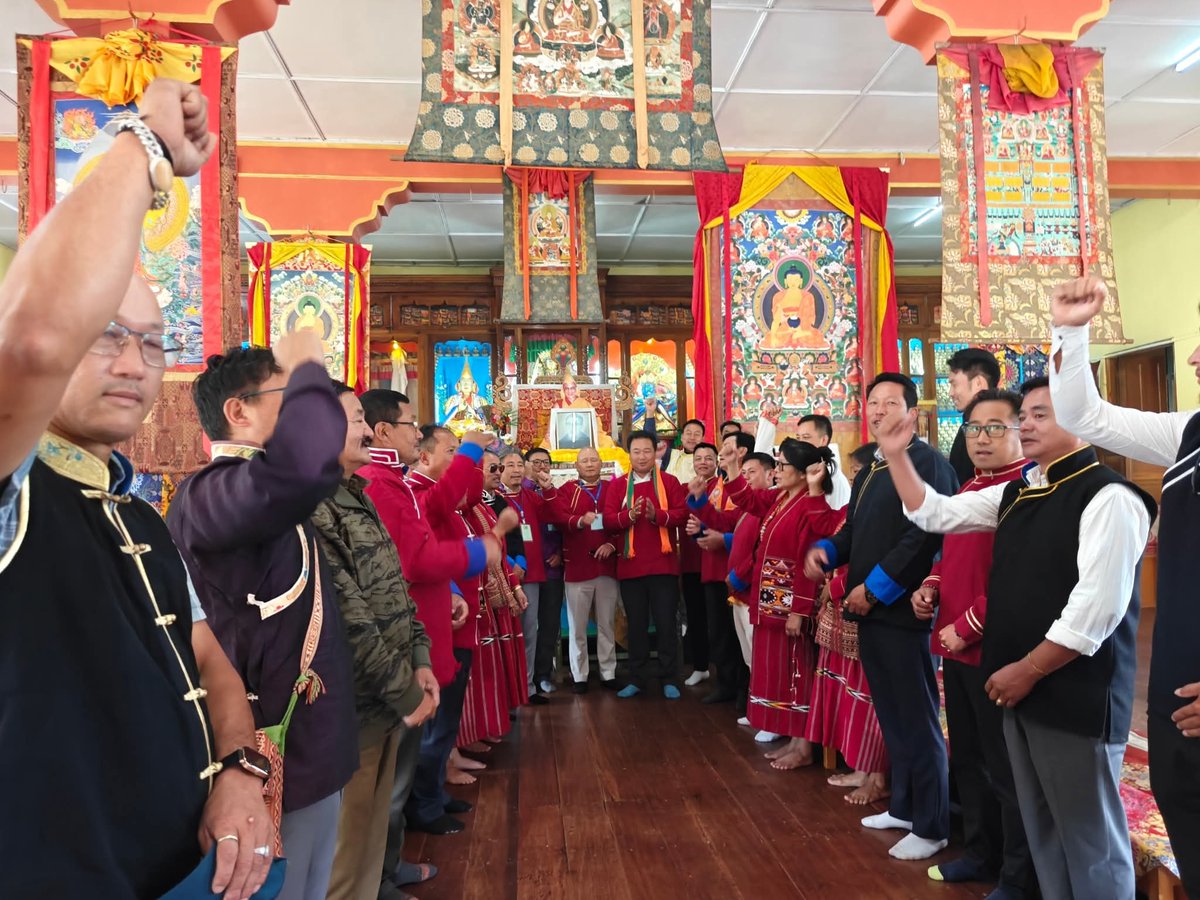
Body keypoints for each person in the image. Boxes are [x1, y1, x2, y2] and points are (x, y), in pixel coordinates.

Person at [0, 77, 273, 899]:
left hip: (183, 867)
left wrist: (241, 764)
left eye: (152, 345)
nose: (131, 364)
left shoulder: (137, 512)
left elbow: (206, 655)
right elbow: (35, 340)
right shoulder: (16, 495)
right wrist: (141, 146)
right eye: (105, 337)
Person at [880, 375, 1154, 898]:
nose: (1025, 424)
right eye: (1023, 415)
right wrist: (896, 456)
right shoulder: (1020, 490)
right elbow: (935, 512)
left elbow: (1094, 612)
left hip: (1075, 695)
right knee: (1045, 832)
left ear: (1083, 416)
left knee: (1090, 841)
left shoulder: (1110, 496)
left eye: (1040, 415)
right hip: (1017, 690)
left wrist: (1027, 670)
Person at [172, 338, 360, 900]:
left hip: (311, 746)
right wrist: (307, 364)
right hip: (275, 755)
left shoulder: (256, 493)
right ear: (239, 411)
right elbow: (304, 468)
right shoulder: (213, 493)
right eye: (292, 394)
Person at [1046, 275, 1200, 895]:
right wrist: (1072, 332)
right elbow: (1085, 415)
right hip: (1175, 693)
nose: (1192, 356)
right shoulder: (1189, 432)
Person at [804, 373, 958, 862]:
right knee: (891, 714)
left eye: (890, 403)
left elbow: (924, 539)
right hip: (867, 611)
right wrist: (827, 549)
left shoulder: (929, 464)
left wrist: (876, 589)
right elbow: (854, 528)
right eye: (872, 403)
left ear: (911, 412)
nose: (878, 411)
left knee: (917, 717)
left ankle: (934, 825)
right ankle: (907, 808)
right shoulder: (873, 463)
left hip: (902, 612)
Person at [312, 384, 440, 900]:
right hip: (357, 707)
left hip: (388, 700)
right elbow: (352, 617)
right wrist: (406, 690)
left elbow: (392, 590)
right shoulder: (315, 507)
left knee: (368, 842)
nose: (369, 431)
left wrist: (420, 657)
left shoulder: (357, 495)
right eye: (356, 420)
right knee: (345, 857)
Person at [355, 393, 491, 882]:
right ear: (384, 431)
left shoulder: (392, 483)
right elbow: (415, 559)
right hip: (402, 646)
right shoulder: (383, 484)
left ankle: (388, 867)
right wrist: (478, 555)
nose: (417, 433)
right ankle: (381, 877)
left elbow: (442, 503)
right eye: (411, 424)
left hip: (424, 633)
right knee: (392, 775)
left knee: (402, 768)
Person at [910, 390, 1036, 898]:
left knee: (1006, 769)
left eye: (994, 428)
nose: (982, 439)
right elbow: (948, 551)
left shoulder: (1025, 490)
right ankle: (980, 854)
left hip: (994, 648)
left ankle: (1018, 874)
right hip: (955, 646)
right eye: (973, 429)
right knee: (967, 758)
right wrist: (932, 586)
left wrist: (968, 623)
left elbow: (1019, 577)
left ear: (1019, 431)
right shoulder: (970, 486)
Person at [711, 442, 842, 769]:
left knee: (798, 673)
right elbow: (749, 500)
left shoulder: (810, 504)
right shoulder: (780, 498)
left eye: (783, 466)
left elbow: (806, 563)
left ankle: (803, 745)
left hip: (790, 606)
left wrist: (799, 610)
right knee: (780, 674)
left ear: (802, 473)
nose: (777, 470)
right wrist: (730, 468)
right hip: (771, 601)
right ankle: (794, 740)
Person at [396, 425, 489, 836]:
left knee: (447, 720)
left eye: (459, 452)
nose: (460, 461)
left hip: (455, 620)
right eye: (451, 452)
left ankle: (433, 791)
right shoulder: (415, 494)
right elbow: (426, 554)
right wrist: (471, 448)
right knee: (433, 723)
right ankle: (425, 805)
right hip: (437, 623)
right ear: (425, 456)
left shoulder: (436, 499)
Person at [603, 430, 690, 699]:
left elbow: (681, 514)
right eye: (636, 452)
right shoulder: (618, 486)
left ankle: (670, 679)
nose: (641, 456)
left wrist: (657, 515)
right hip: (631, 567)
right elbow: (607, 520)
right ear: (629, 454)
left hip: (663, 566)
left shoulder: (669, 482)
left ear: (656, 453)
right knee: (636, 626)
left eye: (646, 451)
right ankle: (637, 678)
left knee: (666, 625)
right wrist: (628, 516)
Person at [550, 447, 621, 693]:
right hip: (578, 567)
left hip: (607, 566)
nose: (590, 464)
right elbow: (558, 518)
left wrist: (612, 544)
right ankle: (579, 675)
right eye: (584, 460)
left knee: (606, 624)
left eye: (594, 459)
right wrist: (580, 520)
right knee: (577, 626)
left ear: (602, 463)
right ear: (576, 466)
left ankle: (608, 672)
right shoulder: (566, 490)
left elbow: (623, 521)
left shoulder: (615, 488)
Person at [683, 441, 745, 706]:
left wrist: (721, 537)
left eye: (715, 456)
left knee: (737, 634)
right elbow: (718, 521)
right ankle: (726, 684)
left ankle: (745, 689)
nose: (711, 461)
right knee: (719, 631)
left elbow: (738, 528)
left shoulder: (740, 487)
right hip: (712, 567)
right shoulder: (718, 487)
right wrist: (698, 510)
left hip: (735, 570)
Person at [498, 448, 558, 703]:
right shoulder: (494, 499)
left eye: (519, 465)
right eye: (509, 465)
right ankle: (512, 689)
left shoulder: (530, 497)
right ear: (500, 469)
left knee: (531, 632)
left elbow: (554, 516)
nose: (516, 470)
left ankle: (528, 686)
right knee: (514, 632)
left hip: (534, 573)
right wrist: (511, 563)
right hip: (507, 574)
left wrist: (547, 490)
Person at [525, 448, 565, 695]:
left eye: (545, 462)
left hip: (552, 569)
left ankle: (542, 675)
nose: (541, 467)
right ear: (526, 464)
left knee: (549, 625)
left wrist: (561, 552)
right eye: (535, 462)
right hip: (528, 571)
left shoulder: (554, 492)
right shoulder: (520, 492)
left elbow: (564, 523)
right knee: (527, 627)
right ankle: (524, 678)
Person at [756, 412, 850, 510]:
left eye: (806, 437)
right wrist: (766, 427)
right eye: (798, 438)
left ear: (823, 440)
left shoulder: (824, 474)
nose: (799, 443)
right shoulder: (804, 468)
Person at [946, 348, 1002, 486]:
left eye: (954, 384)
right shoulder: (968, 424)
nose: (950, 393)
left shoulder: (997, 430)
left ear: (978, 383)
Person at [664, 417, 706, 484]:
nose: (692, 437)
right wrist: (650, 413)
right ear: (682, 437)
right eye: (688, 433)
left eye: (697, 434)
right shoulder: (670, 455)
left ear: (703, 439)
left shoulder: (708, 461)